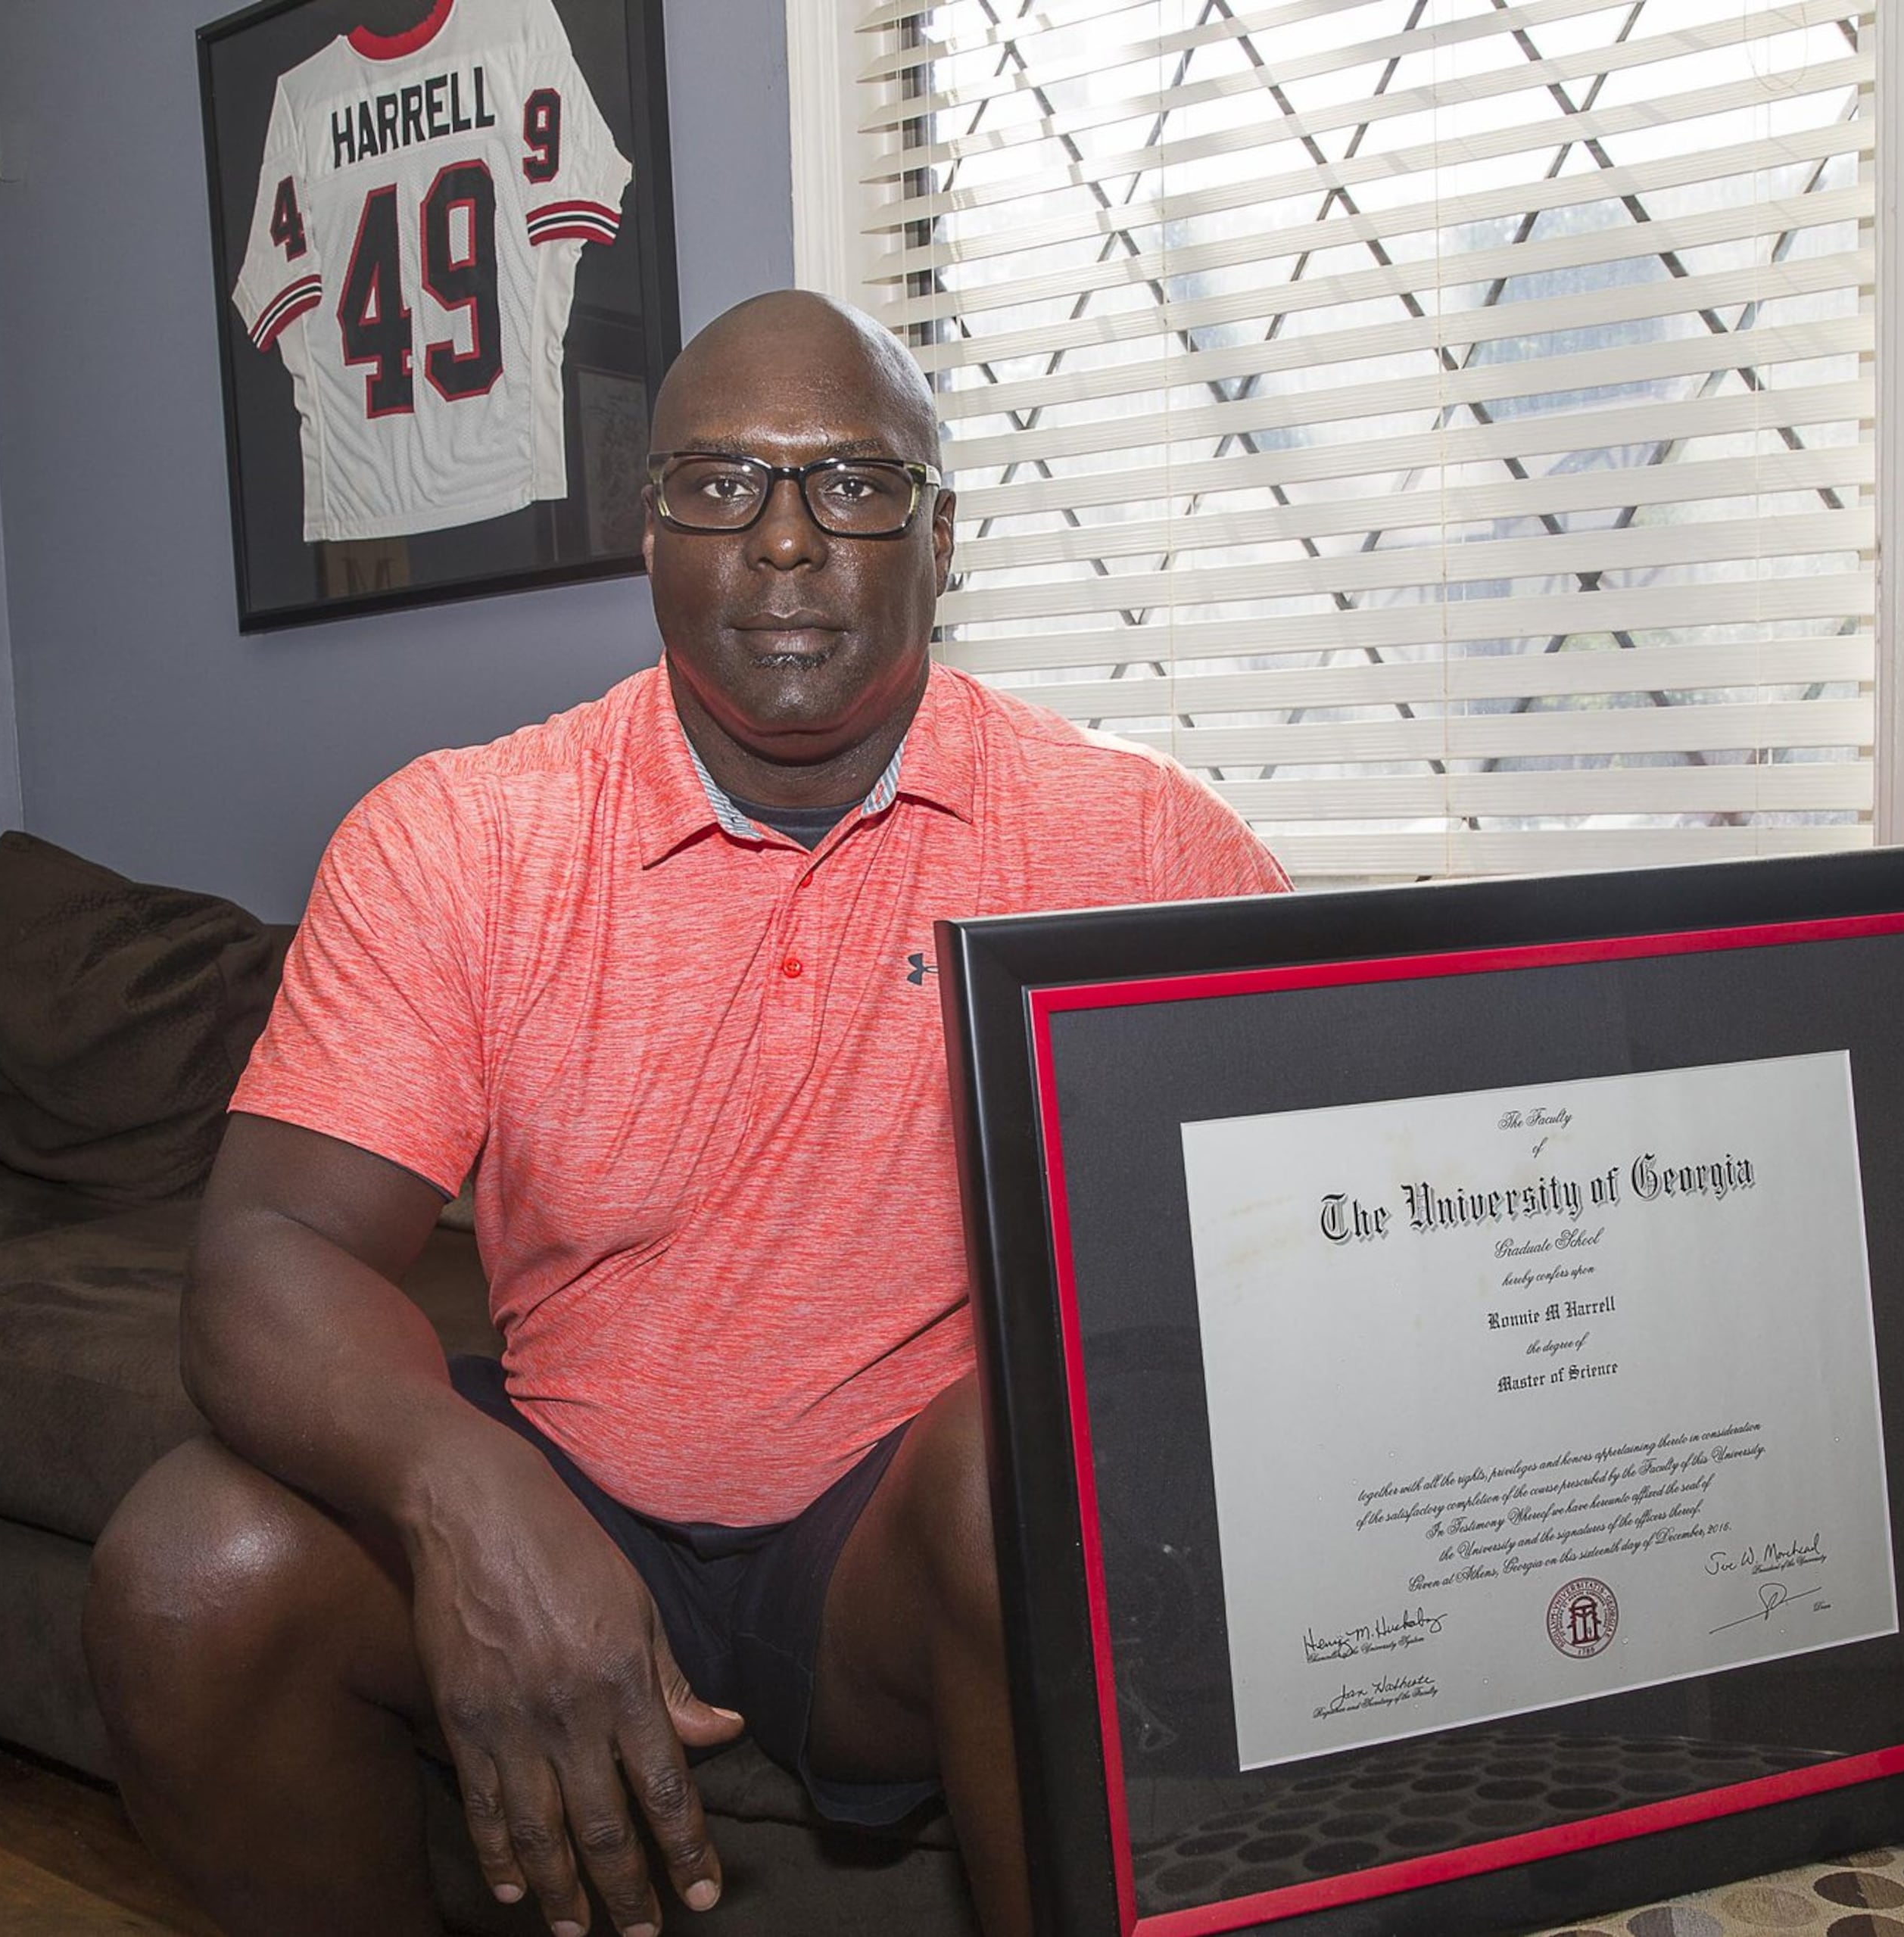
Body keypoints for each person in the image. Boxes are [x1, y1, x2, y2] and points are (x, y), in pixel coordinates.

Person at [82, 290, 1286, 1937]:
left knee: (1034, 1475)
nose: (785, 542)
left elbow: (1298, 1245)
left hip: (897, 1555)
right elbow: (268, 1249)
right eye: (719, 484)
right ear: (644, 537)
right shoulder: (456, 836)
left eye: (855, 486)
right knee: (189, 1570)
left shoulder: (1141, 845)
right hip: (575, 1473)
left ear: (944, 536)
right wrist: (469, 1493)